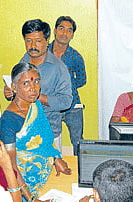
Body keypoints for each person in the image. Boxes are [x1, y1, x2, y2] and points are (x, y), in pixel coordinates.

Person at [0, 63, 71, 201]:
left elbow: (46, 138)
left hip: (46, 175)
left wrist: (56, 158)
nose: (33, 88)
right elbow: (11, 166)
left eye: (36, 81)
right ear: (13, 87)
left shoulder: (35, 105)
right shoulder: (8, 121)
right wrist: (32, 199)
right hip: (24, 189)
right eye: (26, 83)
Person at [4, 19, 72, 152]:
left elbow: (66, 102)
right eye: (28, 41)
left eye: (38, 41)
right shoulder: (22, 62)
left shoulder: (59, 68)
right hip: (23, 130)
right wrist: (11, 92)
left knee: (50, 169)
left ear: (47, 41)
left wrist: (37, 97)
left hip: (49, 132)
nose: (33, 45)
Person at [48, 16, 87, 156]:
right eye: (61, 28)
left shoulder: (76, 57)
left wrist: (66, 87)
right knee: (48, 138)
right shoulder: (44, 52)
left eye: (69, 30)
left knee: (78, 141)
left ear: (72, 35)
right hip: (49, 104)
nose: (64, 33)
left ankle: (80, 170)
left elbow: (82, 80)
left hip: (72, 105)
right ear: (55, 30)